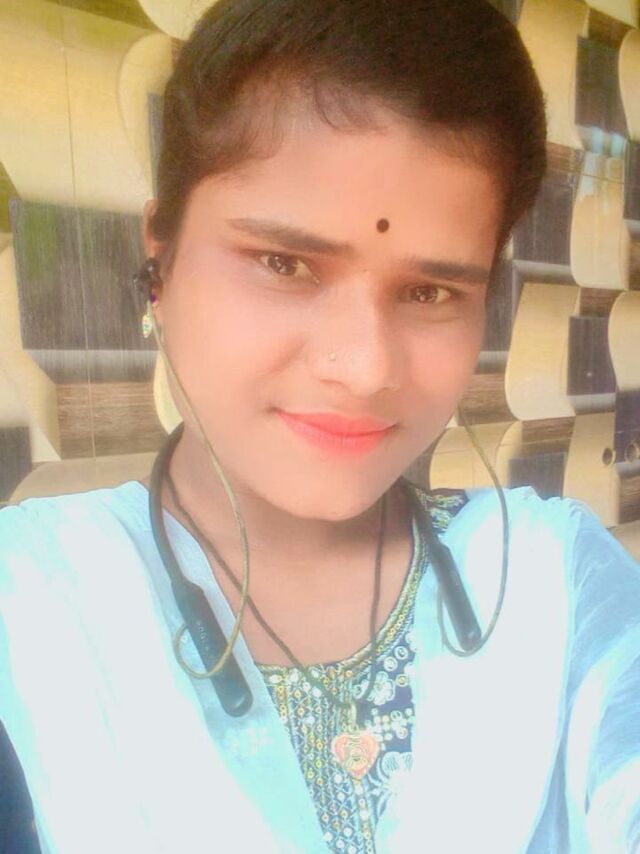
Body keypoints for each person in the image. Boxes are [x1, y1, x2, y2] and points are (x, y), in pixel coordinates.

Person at [1, 0, 639, 851]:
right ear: (160, 258)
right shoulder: (30, 612)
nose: (365, 367)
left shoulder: (556, 588)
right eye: (285, 264)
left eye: (430, 292)